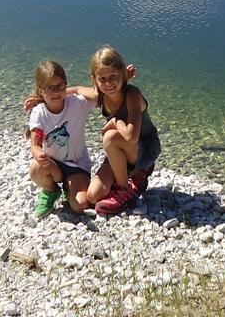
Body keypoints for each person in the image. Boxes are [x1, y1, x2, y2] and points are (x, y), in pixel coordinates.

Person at [83, 45, 161, 216]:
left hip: (144, 148)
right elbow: (74, 91)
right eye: (102, 79)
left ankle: (125, 190)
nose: (108, 83)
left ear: (123, 75)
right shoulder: (100, 96)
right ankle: (134, 175)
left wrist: (115, 121)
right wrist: (40, 98)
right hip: (122, 151)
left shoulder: (132, 94)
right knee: (93, 195)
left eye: (113, 77)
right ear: (94, 80)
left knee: (110, 138)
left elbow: (131, 137)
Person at [26, 60, 94, 217]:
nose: (56, 92)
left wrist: (74, 90)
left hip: (77, 165)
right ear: (40, 90)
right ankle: (51, 190)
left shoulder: (77, 103)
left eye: (60, 86)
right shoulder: (39, 112)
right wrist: (39, 155)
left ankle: (69, 189)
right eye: (50, 88)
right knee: (36, 169)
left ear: (66, 85)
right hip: (54, 165)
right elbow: (35, 144)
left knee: (80, 206)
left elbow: (100, 94)